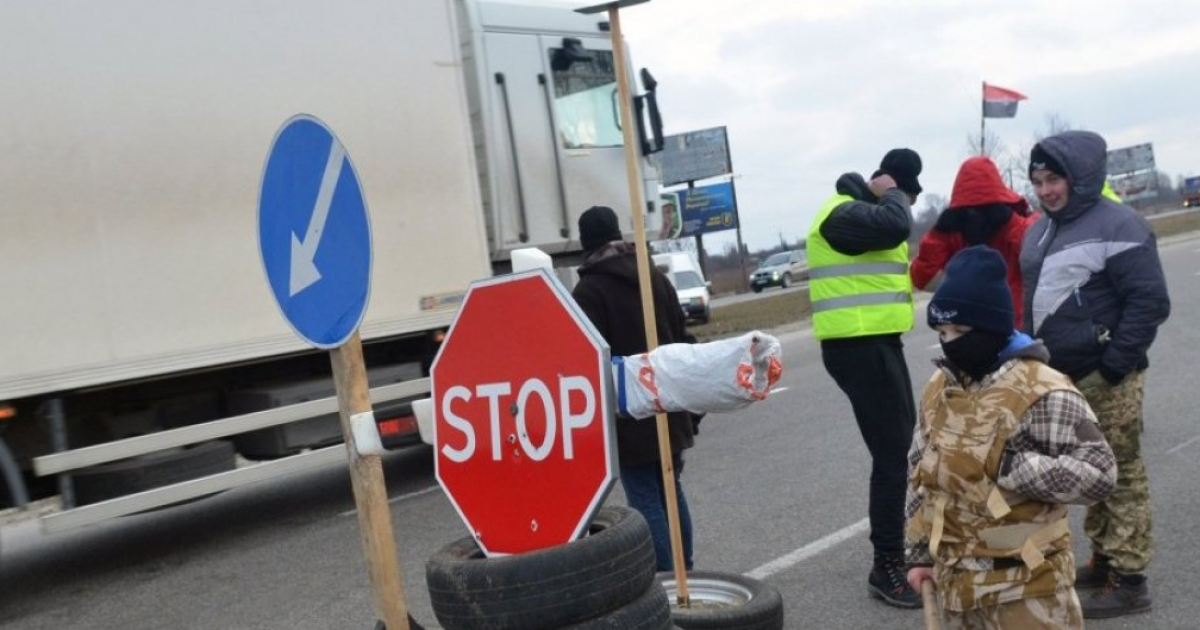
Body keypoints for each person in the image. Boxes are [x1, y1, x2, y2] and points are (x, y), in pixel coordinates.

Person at [905, 245, 1117, 629]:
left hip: (1027, 590)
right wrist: (920, 553)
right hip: (957, 589)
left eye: (961, 331)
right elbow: (920, 471)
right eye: (942, 332)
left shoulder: (1043, 390)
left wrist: (1007, 465)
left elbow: (1099, 475)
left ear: (993, 327)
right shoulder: (940, 387)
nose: (950, 342)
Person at [1019, 130, 1171, 619]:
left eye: (1054, 179)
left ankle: (1131, 580)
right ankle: (1104, 559)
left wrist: (1113, 366)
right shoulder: (1040, 230)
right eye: (1038, 181)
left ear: (1079, 178)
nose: (1045, 191)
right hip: (1060, 377)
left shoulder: (1121, 224)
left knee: (1121, 473)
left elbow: (1149, 303)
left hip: (1107, 376)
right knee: (1089, 473)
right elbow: (1035, 303)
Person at [806, 148, 922, 608]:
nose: (906, 206)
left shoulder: (860, 214)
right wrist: (893, 190)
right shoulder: (843, 215)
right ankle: (886, 565)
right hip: (859, 346)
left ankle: (900, 550)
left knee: (901, 452)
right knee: (894, 457)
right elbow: (896, 225)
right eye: (905, 195)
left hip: (876, 344)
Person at [570, 205, 697, 571]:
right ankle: (686, 569)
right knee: (671, 487)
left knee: (645, 494)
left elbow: (587, 360)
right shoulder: (655, 276)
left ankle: (666, 577)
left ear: (586, 242)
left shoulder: (589, 290)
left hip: (629, 411)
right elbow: (683, 335)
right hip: (670, 399)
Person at [909, 156, 1037, 328]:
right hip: (978, 332)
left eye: (983, 208)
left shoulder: (1019, 228)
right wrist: (939, 233)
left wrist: (1011, 222)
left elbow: (1036, 256)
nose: (976, 217)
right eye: (970, 211)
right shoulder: (957, 232)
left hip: (1012, 329)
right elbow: (922, 278)